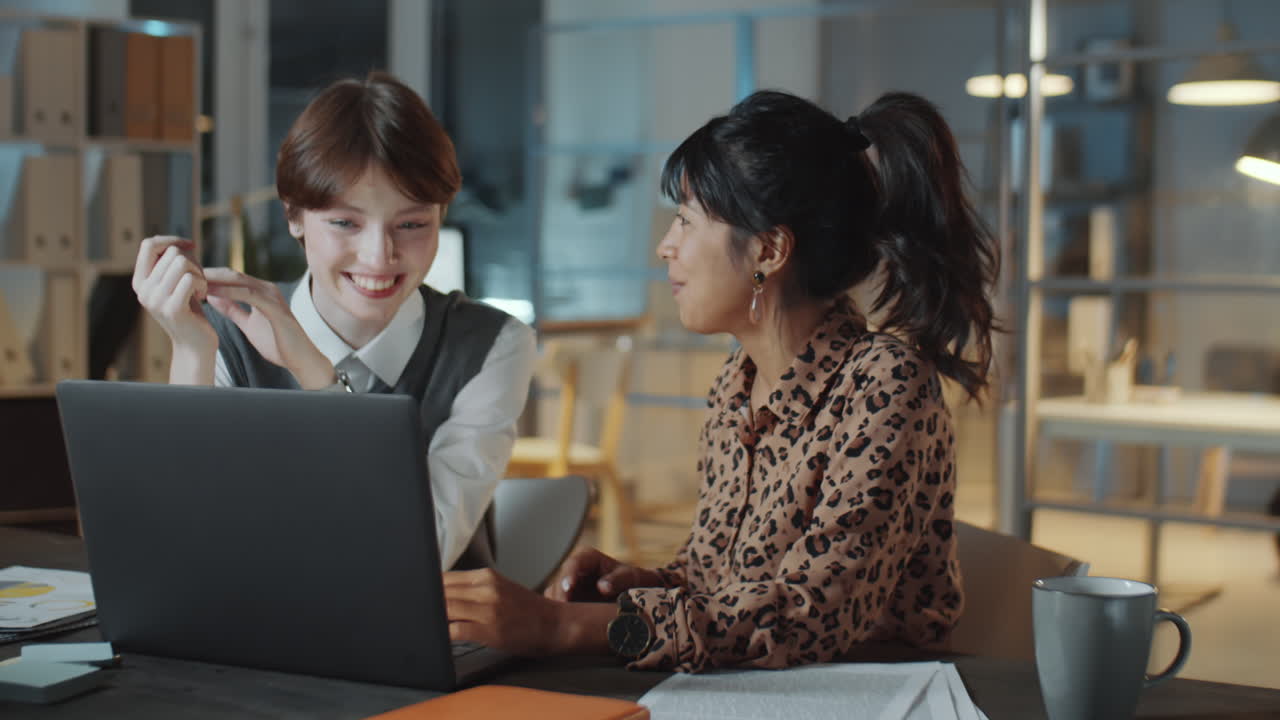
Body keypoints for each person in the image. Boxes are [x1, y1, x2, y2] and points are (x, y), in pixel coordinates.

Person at [442, 89, 998, 672]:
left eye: (685, 220)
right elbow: (719, 585)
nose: (666, 246)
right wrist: (639, 587)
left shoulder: (886, 387)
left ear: (769, 249)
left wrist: (559, 626)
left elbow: (801, 620)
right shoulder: (739, 381)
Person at [131, 71, 536, 571]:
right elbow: (181, 536)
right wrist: (192, 350)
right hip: (252, 633)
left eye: (411, 225)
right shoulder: (231, 331)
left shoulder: (491, 345)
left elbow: (414, 556)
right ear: (294, 217)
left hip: (428, 640)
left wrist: (317, 376)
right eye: (345, 223)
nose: (379, 256)